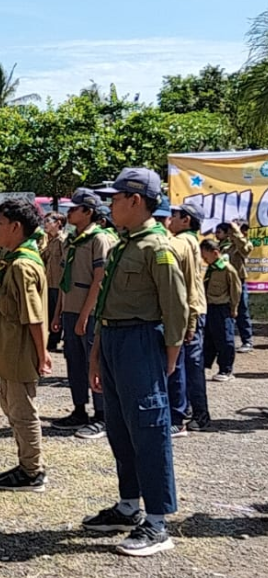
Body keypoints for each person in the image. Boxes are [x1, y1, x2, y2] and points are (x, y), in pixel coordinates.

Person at [83, 167, 188, 557]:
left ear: (136, 201)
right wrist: (96, 353)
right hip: (113, 339)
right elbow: (107, 305)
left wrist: (170, 357)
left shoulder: (158, 248)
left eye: (115, 198)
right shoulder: (124, 243)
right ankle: (129, 505)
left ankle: (158, 522)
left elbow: (175, 307)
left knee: (149, 428)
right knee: (120, 428)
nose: (109, 205)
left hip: (142, 341)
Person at [0, 199, 51, 492]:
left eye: (0, 223)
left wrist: (43, 355)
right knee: (10, 405)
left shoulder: (23, 266)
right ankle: (26, 462)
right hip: (10, 345)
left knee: (22, 410)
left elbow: (34, 316)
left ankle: (32, 470)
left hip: (21, 349)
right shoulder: (15, 259)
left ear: (15, 227)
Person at [51, 189, 114, 439]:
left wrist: (86, 315)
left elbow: (99, 280)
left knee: (93, 361)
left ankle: (102, 414)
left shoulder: (99, 239)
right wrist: (58, 314)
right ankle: (79, 409)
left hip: (90, 311)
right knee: (74, 361)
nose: (69, 212)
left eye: (75, 208)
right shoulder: (71, 239)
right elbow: (64, 280)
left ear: (88, 212)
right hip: (70, 309)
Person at [167, 203, 208, 436]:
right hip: (194, 310)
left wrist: (190, 321)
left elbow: (189, 284)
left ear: (186, 220)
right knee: (189, 366)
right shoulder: (190, 241)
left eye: (174, 216)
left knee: (189, 368)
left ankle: (193, 415)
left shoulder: (183, 241)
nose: (170, 219)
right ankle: (192, 411)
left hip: (192, 312)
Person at [200, 238, 240, 384]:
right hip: (209, 307)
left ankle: (226, 369)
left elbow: (236, 290)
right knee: (209, 338)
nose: (204, 259)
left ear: (215, 253)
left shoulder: (227, 269)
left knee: (225, 339)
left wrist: (234, 308)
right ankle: (204, 365)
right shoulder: (211, 268)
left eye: (205, 256)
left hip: (222, 307)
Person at [215, 220, 253, 353]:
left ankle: (247, 340)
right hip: (223, 282)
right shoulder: (222, 245)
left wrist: (236, 233)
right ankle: (224, 341)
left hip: (238, 281)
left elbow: (246, 249)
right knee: (224, 311)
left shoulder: (240, 245)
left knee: (242, 310)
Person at [41, 212, 67, 353]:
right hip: (50, 283)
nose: (45, 224)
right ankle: (52, 340)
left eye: (48, 221)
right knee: (51, 313)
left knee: (59, 313)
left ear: (58, 223)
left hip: (59, 284)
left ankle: (56, 340)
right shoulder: (50, 240)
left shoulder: (62, 241)